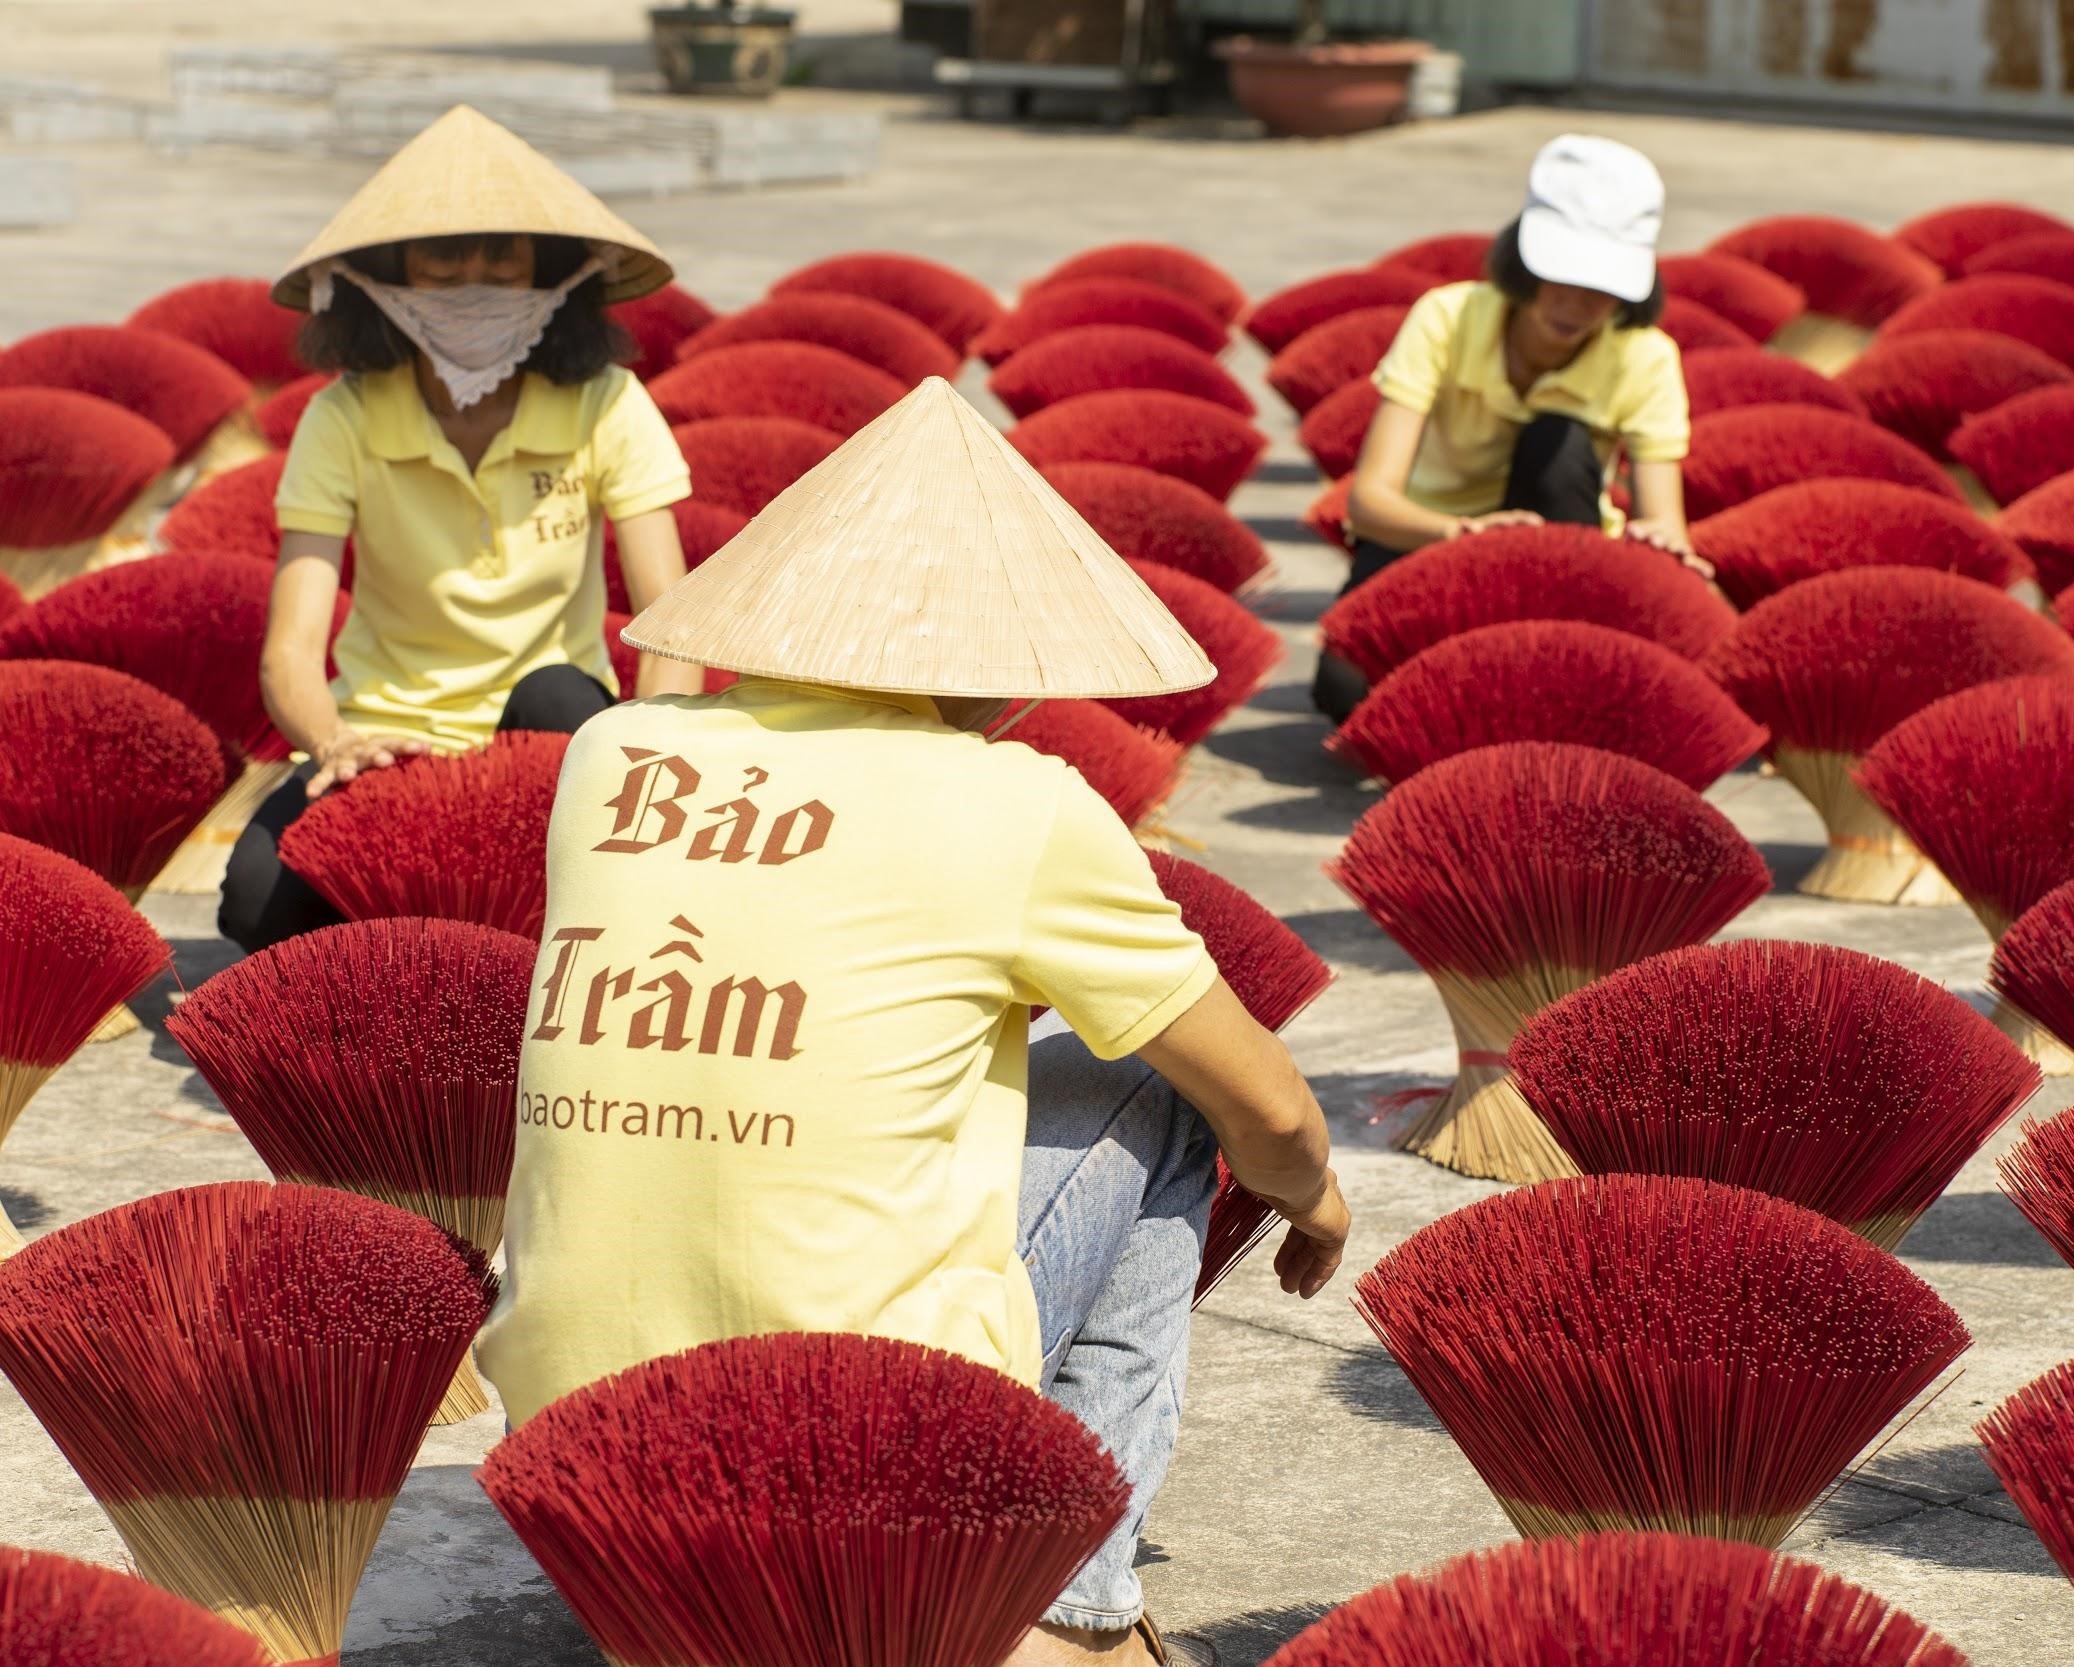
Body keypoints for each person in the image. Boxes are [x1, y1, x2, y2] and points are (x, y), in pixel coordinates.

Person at [476, 378, 1352, 1667]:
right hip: (866, 1448)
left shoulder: (613, 751)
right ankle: (1075, 1617)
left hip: (584, 1461)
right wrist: (1315, 1194)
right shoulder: (1018, 804)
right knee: (1164, 1093)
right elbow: (1266, 1104)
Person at [220, 105, 705, 954]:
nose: (474, 281)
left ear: (552, 272)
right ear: (384, 277)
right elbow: (289, 649)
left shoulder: (606, 403)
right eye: (443, 259)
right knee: (254, 905)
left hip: (548, 738)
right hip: (387, 733)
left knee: (559, 694)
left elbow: (674, 620)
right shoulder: (344, 418)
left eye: (501, 257)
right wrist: (335, 741)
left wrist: (647, 762)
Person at [1312, 133, 1693, 723]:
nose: (1576, 303)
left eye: (1602, 287)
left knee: (1557, 440)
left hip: (1563, 552)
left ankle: (1553, 667)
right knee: (1346, 694)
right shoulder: (1447, 317)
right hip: (1430, 533)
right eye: (1561, 275)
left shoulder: (1646, 356)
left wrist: (1663, 545)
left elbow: (1664, 522)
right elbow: (1370, 502)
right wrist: (1464, 534)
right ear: (1523, 261)